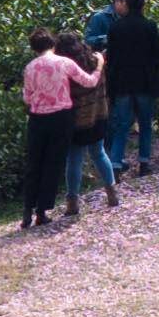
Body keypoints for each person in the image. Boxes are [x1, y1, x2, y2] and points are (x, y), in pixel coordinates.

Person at [19, 26, 98, 229]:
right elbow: (89, 82)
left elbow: (27, 98)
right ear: (52, 44)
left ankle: (27, 209)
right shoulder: (64, 62)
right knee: (53, 164)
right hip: (61, 117)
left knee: (34, 163)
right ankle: (42, 212)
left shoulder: (29, 68)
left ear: (34, 48)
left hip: (37, 118)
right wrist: (99, 65)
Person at [102, 0, 159, 180]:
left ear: (127, 5)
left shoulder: (115, 28)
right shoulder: (150, 26)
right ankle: (144, 163)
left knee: (122, 124)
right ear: (143, 5)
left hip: (122, 82)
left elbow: (111, 58)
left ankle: (115, 164)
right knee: (145, 124)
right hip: (145, 81)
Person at [66, 23, 118, 215]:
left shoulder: (66, 70)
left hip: (77, 121)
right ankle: (112, 192)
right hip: (99, 115)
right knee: (99, 153)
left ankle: (72, 202)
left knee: (74, 160)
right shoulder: (96, 60)